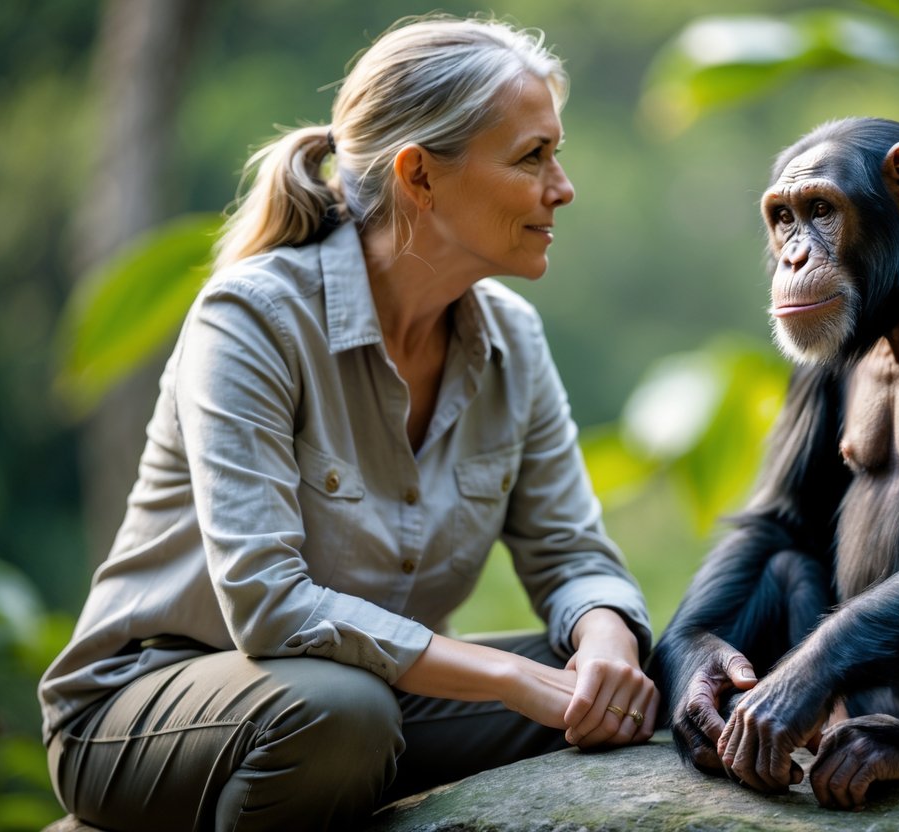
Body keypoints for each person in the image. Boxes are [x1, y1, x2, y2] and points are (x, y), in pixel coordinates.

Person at [39, 15, 657, 831]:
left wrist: (607, 637)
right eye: (532, 156)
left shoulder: (513, 338)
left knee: (654, 674)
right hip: (143, 711)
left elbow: (571, 553)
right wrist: (508, 680)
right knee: (342, 710)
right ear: (420, 176)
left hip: (376, 698)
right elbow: (270, 604)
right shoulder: (250, 318)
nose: (562, 185)